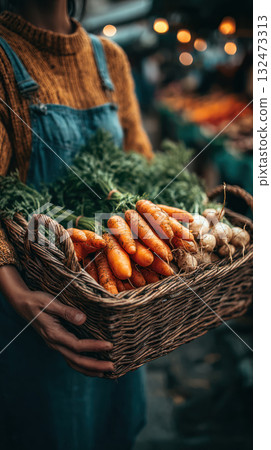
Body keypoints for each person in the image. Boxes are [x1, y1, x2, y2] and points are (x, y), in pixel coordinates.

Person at [0, 1, 153, 449]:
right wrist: (21, 296)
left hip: (118, 313)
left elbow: (140, 165)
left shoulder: (111, 59)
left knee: (115, 432)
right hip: (37, 317)